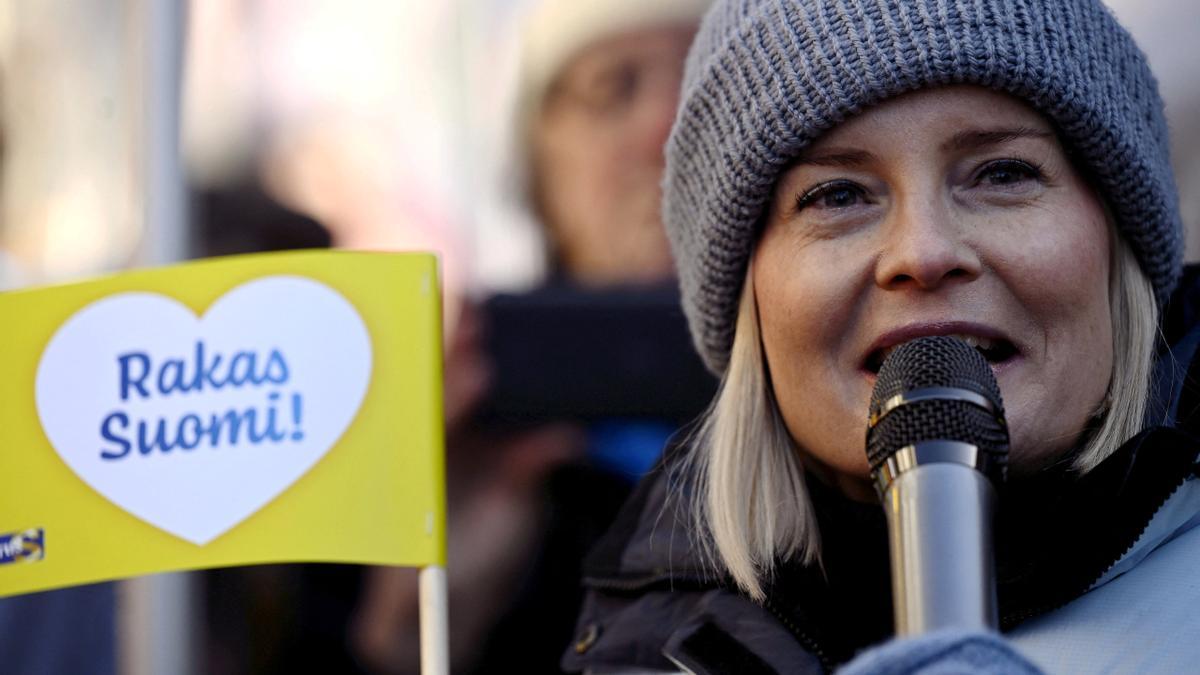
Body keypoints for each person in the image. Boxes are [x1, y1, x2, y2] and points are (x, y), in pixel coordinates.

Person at [562, 1, 1200, 673]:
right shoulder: (646, 647)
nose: (923, 252)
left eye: (1003, 173)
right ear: (747, 297)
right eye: (837, 195)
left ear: (1116, 239)